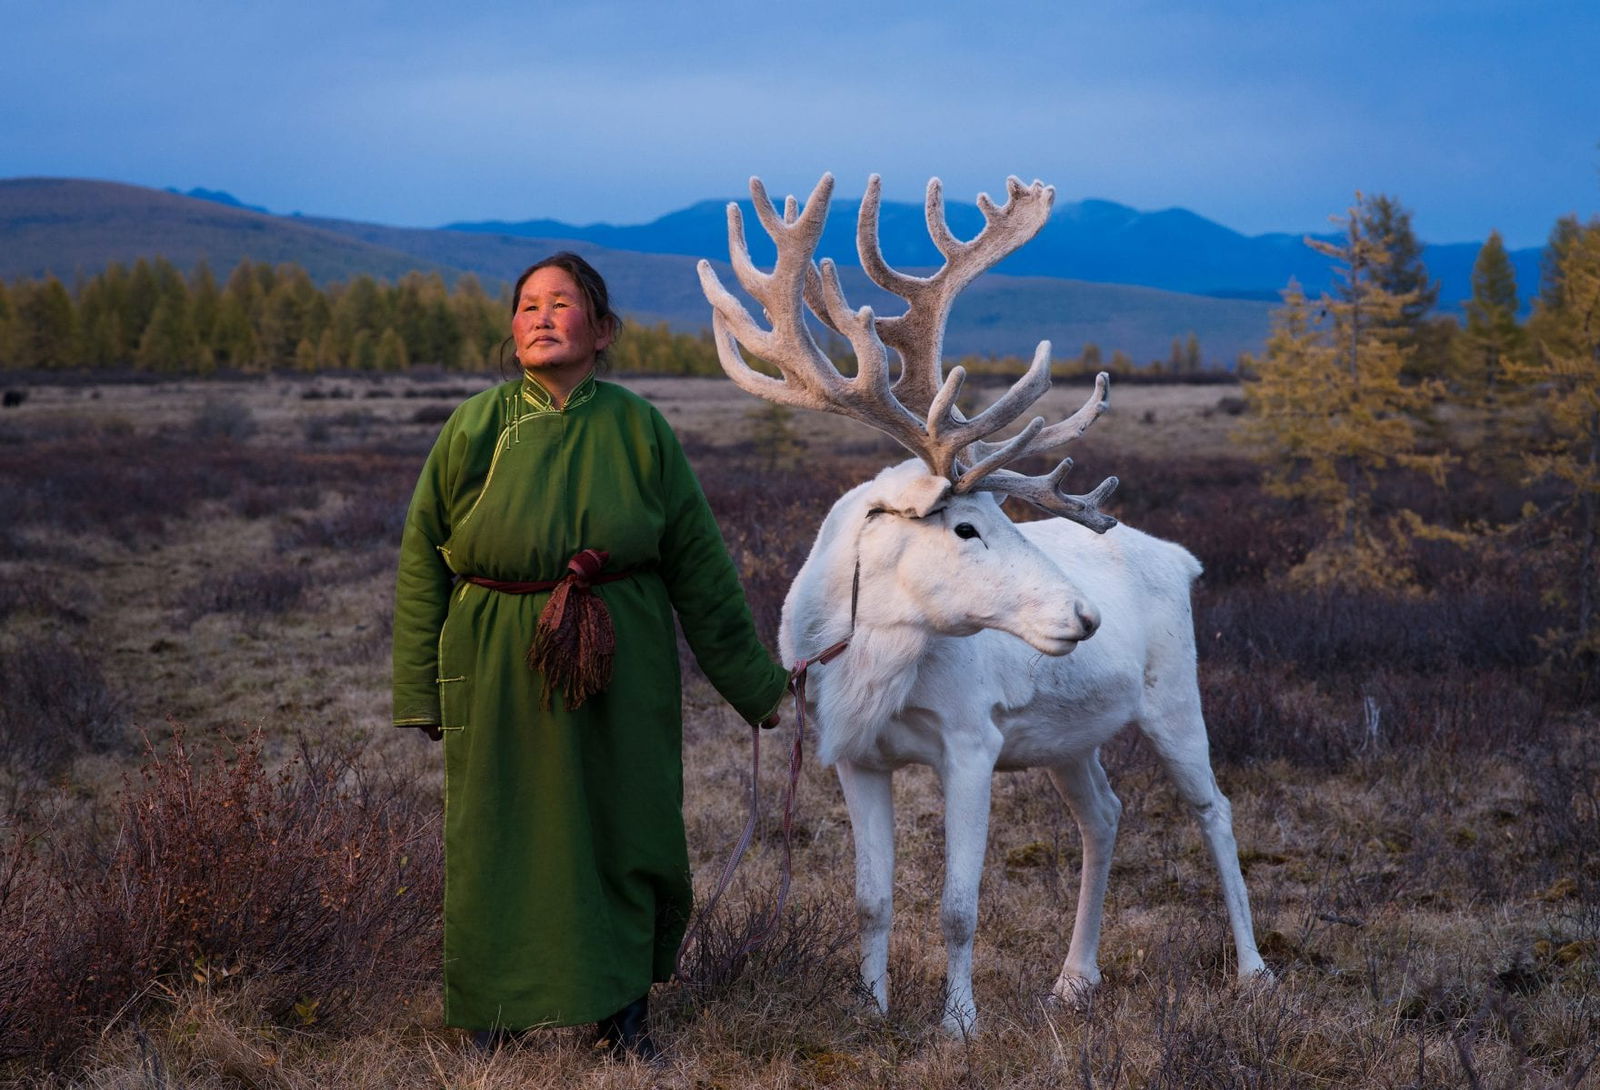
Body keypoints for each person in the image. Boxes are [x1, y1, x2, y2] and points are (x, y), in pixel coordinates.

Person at [391, 252, 788, 1060]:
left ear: (602, 330)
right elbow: (422, 560)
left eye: (561, 303)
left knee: (627, 824)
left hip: (623, 656)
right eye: (527, 305)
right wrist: (424, 692)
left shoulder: (640, 429)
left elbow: (701, 568)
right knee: (498, 831)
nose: (540, 316)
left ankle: (622, 1018)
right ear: (511, 329)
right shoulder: (473, 426)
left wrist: (758, 685)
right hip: (500, 657)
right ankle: (491, 1017)